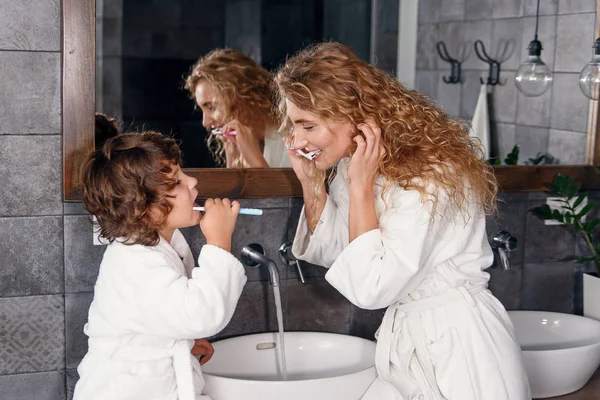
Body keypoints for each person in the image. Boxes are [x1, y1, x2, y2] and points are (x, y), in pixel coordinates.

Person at [275, 42, 530, 400]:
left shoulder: (432, 173)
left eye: (308, 126)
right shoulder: (355, 164)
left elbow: (372, 286)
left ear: (353, 114)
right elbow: (343, 255)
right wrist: (312, 185)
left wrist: (361, 187)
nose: (298, 140)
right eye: (294, 125)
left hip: (461, 348)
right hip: (411, 340)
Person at [73, 132, 247, 400]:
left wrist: (176, 339)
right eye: (177, 181)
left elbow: (159, 313)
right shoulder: (135, 262)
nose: (192, 181)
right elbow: (200, 315)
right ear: (145, 208)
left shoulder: (153, 249)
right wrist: (219, 241)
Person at [184, 48, 290, 168]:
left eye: (211, 107)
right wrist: (233, 162)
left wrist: (256, 161)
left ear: (243, 97)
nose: (205, 122)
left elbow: (284, 187)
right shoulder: (238, 144)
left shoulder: (293, 135)